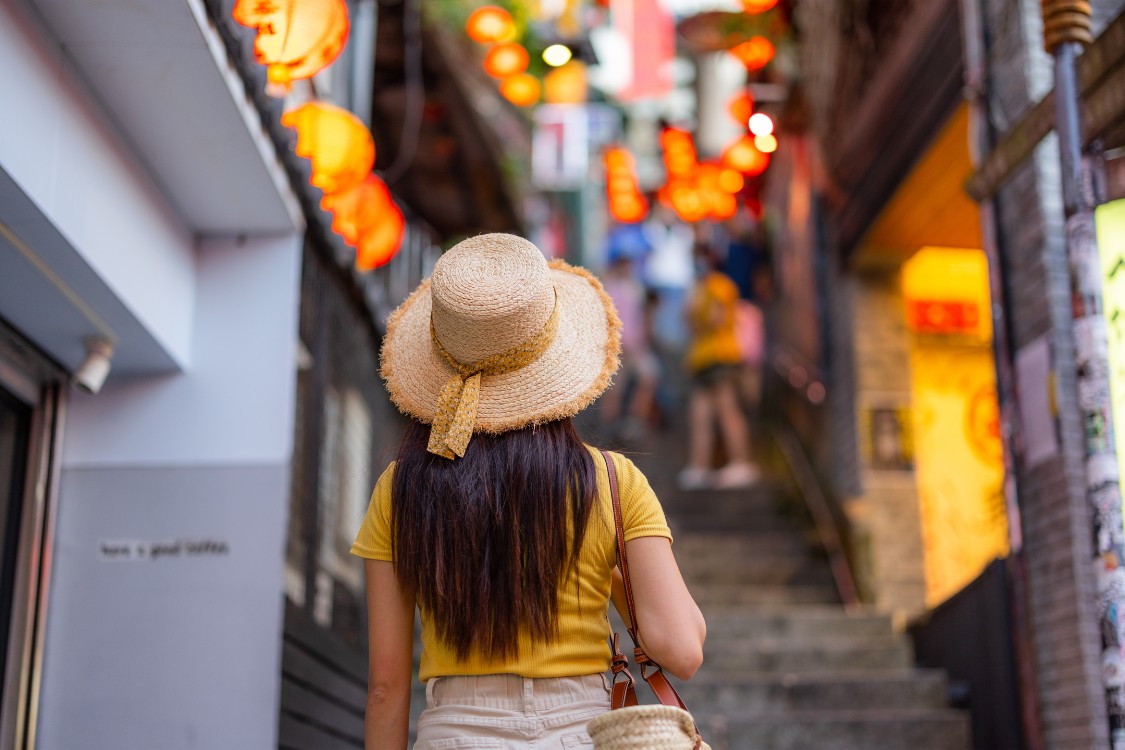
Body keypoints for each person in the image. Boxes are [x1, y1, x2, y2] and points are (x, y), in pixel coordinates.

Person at [352, 234, 706, 748]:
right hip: (581, 733)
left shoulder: (400, 487)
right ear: (556, 359)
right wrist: (604, 570)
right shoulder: (612, 481)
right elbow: (682, 650)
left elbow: (385, 687)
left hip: (453, 733)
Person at [678, 244, 759, 490]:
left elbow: (716, 318)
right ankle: (699, 466)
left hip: (720, 356)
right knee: (700, 414)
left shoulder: (720, 285)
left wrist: (696, 314)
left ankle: (742, 462)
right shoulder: (698, 289)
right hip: (701, 359)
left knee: (727, 409)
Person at [600, 251, 661, 440]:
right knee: (618, 385)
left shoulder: (631, 286)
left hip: (631, 345)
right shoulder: (616, 287)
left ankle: (627, 422)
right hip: (624, 345)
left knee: (628, 383)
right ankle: (616, 424)